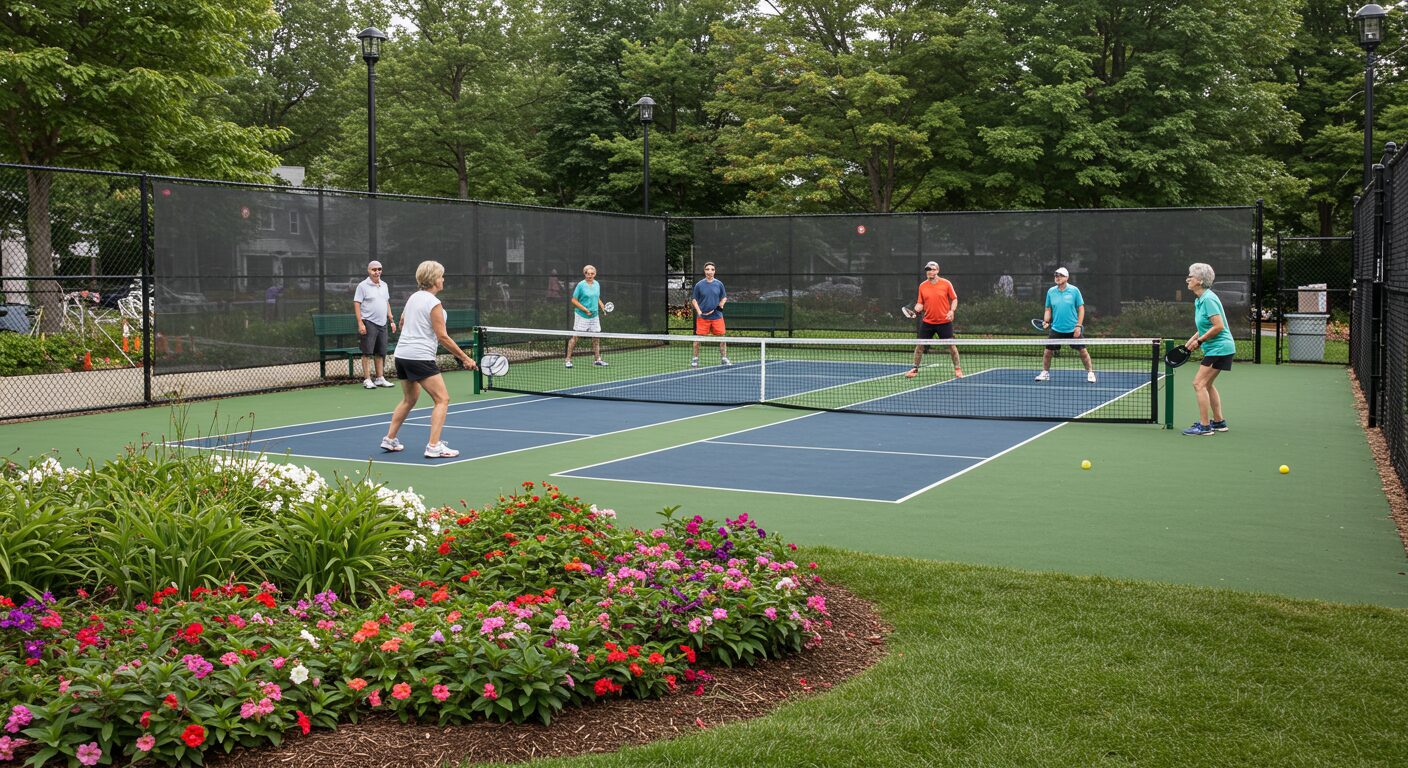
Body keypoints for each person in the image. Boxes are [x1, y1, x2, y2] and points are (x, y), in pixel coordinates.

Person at [379, 260, 476, 459]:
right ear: (433, 279)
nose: (443, 280)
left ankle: (389, 439)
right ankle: (434, 446)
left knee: (409, 399)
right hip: (419, 357)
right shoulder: (434, 303)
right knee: (442, 399)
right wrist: (465, 358)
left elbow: (403, 321)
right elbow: (443, 337)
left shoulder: (413, 297)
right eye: (441, 276)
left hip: (402, 355)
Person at [1182, 262, 1234, 436]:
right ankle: (1219, 422)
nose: (1187, 279)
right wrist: (1193, 340)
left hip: (1219, 348)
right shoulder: (1201, 299)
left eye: (1191, 276)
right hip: (1218, 348)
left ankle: (1205, 427)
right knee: (1208, 384)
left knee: (1198, 384)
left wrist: (1201, 340)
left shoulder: (1208, 299)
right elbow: (1206, 325)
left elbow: (1219, 326)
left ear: (1200, 280)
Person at [1034, 267, 1096, 383]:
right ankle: (1045, 373)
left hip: (1072, 329)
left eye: (1060, 275)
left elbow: (1081, 309)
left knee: (1083, 351)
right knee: (1047, 352)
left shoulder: (1074, 291)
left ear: (1067, 278)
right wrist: (1046, 321)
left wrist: (1078, 326)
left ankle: (1090, 372)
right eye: (1056, 275)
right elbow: (1048, 309)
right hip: (1056, 329)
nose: (1057, 277)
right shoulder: (1051, 292)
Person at [905, 261, 961, 379]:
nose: (930, 271)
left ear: (937, 270)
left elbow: (954, 299)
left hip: (944, 322)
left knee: (951, 346)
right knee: (920, 346)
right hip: (928, 322)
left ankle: (957, 369)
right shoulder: (922, 286)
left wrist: (951, 311)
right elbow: (920, 303)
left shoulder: (946, 284)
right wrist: (918, 307)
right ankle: (914, 369)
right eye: (928, 269)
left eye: (933, 269)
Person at [354, 260, 397, 389]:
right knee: (367, 353)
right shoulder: (362, 286)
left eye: (379, 269)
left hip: (382, 323)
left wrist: (391, 320)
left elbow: (386, 302)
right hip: (368, 322)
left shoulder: (384, 285)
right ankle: (367, 379)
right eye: (374, 269)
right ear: (369, 271)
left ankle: (379, 378)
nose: (377, 272)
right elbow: (356, 303)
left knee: (380, 352)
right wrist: (360, 323)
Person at [565, 264, 607, 368]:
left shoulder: (597, 284)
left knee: (596, 338)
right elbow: (574, 300)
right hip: (582, 315)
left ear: (595, 274)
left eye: (592, 274)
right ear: (585, 274)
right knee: (575, 338)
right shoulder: (581, 285)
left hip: (594, 316)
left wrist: (602, 306)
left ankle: (597, 359)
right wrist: (585, 309)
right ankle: (568, 360)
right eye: (588, 274)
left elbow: (597, 297)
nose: (590, 275)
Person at [691, 262, 729, 366]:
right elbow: (694, 300)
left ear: (714, 271)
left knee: (722, 338)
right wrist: (699, 312)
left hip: (717, 316)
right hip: (703, 318)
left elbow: (724, 297)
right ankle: (695, 359)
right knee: (698, 339)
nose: (710, 271)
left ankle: (724, 358)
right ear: (704, 271)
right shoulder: (699, 285)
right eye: (707, 269)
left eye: (712, 269)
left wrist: (720, 305)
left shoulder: (719, 284)